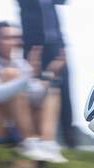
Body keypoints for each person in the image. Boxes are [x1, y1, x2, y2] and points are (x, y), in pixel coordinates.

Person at [0, 22, 65, 163]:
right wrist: (25, 78)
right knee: (11, 75)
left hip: (12, 124)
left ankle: (48, 144)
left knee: (52, 90)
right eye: (8, 38)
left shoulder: (20, 63)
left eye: (17, 38)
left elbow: (36, 97)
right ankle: (28, 141)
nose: (15, 42)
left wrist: (50, 75)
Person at [18, 0, 74, 148]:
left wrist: (61, 44)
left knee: (63, 90)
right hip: (33, 44)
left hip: (56, 42)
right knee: (34, 89)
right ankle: (33, 138)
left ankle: (70, 141)